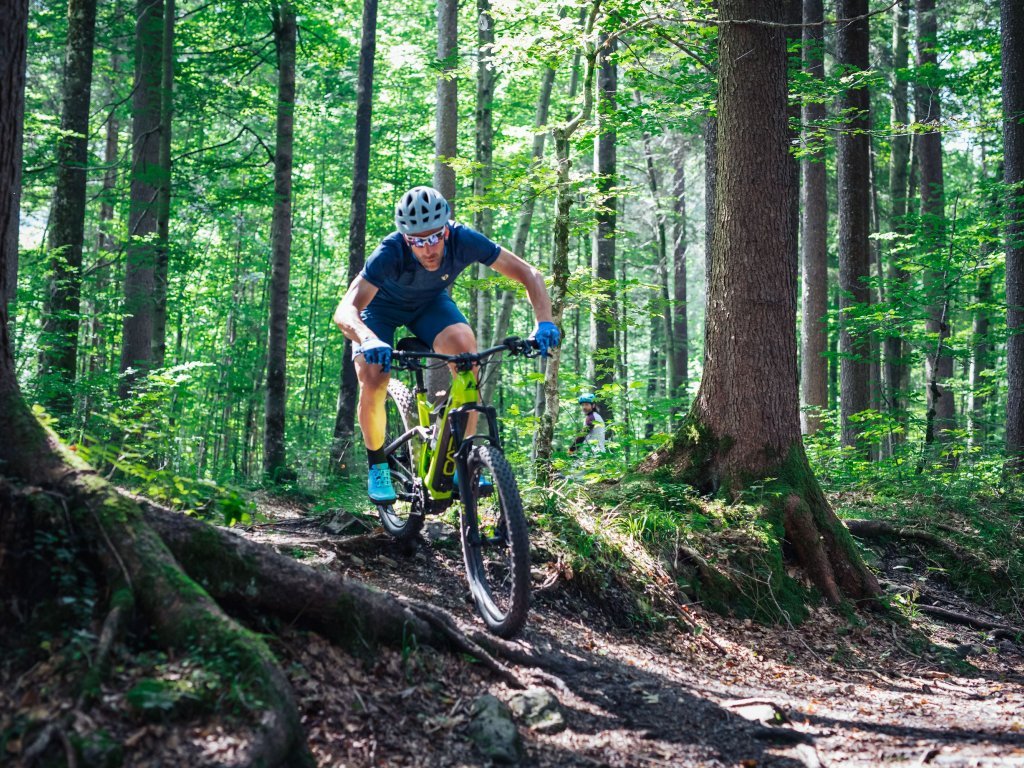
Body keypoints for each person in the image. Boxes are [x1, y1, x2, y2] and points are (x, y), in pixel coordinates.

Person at [333, 185, 560, 502]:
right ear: (406, 238)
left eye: (434, 237)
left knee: (468, 357)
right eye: (417, 241)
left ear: (446, 231)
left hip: (428, 304)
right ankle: (378, 465)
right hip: (379, 309)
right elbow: (345, 310)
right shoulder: (390, 252)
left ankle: (462, 459)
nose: (427, 249)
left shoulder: (464, 239)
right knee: (374, 376)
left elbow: (528, 273)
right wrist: (367, 338)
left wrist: (544, 321)